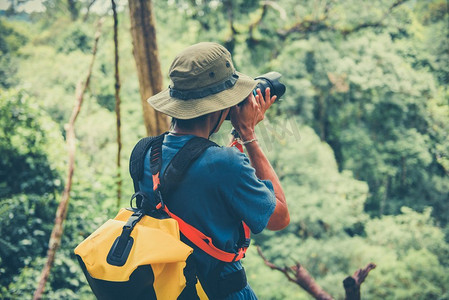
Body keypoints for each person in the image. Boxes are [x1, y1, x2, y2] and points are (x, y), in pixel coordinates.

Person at [141, 42, 289, 299]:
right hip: (221, 291)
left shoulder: (144, 153)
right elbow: (279, 218)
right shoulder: (225, 164)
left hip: (171, 289)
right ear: (221, 106)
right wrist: (248, 135)